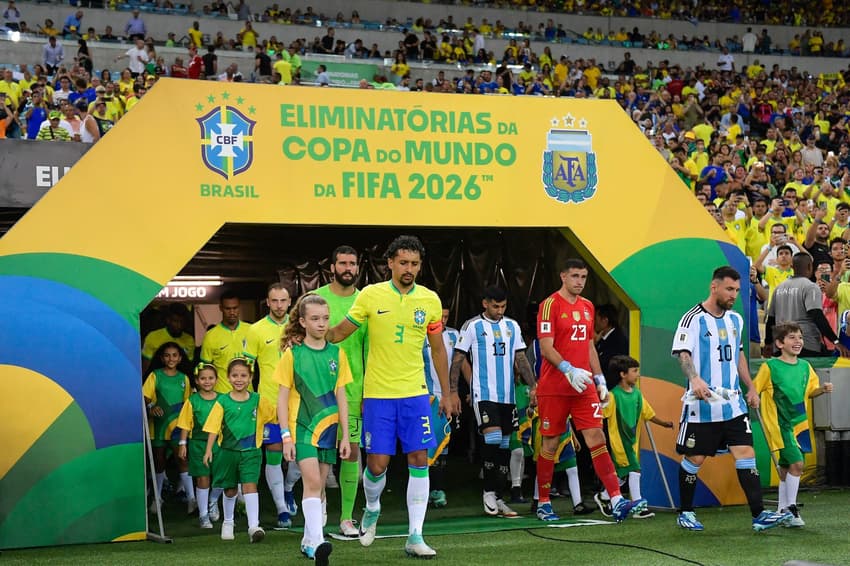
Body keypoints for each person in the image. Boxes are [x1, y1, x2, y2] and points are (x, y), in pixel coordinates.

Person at [326, 235, 461, 558]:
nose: (409, 269)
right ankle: (372, 506)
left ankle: (415, 536)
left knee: (419, 460)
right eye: (403, 262)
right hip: (378, 396)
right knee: (376, 464)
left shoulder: (428, 300)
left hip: (416, 394)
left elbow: (438, 349)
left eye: (414, 264)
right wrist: (310, 335)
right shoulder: (371, 296)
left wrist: (445, 391)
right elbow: (341, 331)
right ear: (389, 263)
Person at [672, 266, 791, 532]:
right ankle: (686, 513)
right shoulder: (692, 319)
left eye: (737, 290)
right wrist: (695, 379)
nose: (733, 295)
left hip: (733, 404)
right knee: (696, 459)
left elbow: (738, 356)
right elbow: (682, 353)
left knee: (746, 453)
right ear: (714, 287)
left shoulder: (735, 319)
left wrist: (750, 387)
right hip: (703, 406)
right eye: (729, 289)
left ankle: (759, 516)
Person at [535, 258, 646, 522]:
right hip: (555, 386)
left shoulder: (587, 307)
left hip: (583, 385)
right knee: (551, 442)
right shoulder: (549, 305)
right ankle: (543, 501)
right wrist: (567, 369)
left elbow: (588, 346)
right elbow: (546, 347)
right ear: (563, 276)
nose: (579, 282)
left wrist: (598, 380)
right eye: (575, 276)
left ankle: (617, 499)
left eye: (583, 277)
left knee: (597, 437)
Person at [275, 294, 352, 565]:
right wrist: (286, 436)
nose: (322, 324)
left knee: (319, 489)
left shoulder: (337, 354)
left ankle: (309, 542)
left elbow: (341, 395)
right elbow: (282, 398)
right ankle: (319, 541)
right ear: (302, 321)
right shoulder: (292, 355)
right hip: (302, 427)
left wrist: (346, 434)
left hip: (329, 430)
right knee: (313, 483)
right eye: (315, 319)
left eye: (325, 318)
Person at [451, 285, 536, 518]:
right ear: (485, 304)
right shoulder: (472, 326)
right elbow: (458, 359)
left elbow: (520, 357)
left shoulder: (512, 326)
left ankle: (498, 496)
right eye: (496, 306)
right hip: (483, 393)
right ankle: (488, 492)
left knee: (505, 446)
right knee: (494, 438)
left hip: (507, 395)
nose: (500, 311)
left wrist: (534, 386)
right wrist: (452, 391)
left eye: (503, 306)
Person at [753, 322, 833, 528]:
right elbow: (754, 391)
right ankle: (790, 509)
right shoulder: (769, 366)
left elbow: (810, 391)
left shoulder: (805, 366)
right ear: (779, 343)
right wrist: (753, 398)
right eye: (792, 338)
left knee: (787, 467)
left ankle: (782, 509)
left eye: (800, 337)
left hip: (800, 423)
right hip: (781, 425)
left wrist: (822, 390)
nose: (798, 341)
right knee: (798, 465)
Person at [314, 246, 368, 537]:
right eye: (343, 263)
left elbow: (370, 348)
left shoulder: (366, 300)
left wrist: (369, 389)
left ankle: (346, 518)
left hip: (354, 390)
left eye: (353, 263)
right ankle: (318, 509)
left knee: (351, 452)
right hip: (319, 392)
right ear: (332, 267)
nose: (348, 267)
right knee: (321, 453)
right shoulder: (317, 299)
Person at [202, 358, 277, 543]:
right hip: (227, 451)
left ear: (251, 377)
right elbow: (213, 427)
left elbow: (275, 416)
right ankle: (228, 522)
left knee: (250, 485)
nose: (239, 379)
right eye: (235, 375)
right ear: (228, 377)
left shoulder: (259, 400)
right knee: (229, 489)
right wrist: (208, 450)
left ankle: (254, 526)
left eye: (243, 375)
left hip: (252, 451)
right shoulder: (222, 401)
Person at [243, 283, 292, 529]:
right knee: (273, 456)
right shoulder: (256, 331)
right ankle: (282, 508)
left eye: (283, 301)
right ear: (267, 302)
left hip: (299, 402)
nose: (279, 305)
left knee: (301, 456)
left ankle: (290, 487)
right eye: (274, 301)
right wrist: (250, 401)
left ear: (290, 301)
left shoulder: (300, 325)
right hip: (269, 403)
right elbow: (246, 370)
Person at [601, 355, 673, 519]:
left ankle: (604, 496)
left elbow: (648, 413)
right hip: (619, 444)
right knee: (635, 469)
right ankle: (638, 506)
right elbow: (601, 414)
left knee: (621, 475)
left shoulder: (637, 395)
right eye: (634, 371)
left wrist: (663, 423)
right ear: (623, 374)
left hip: (631, 442)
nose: (637, 374)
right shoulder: (613, 396)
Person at [764, 253, 847, 358]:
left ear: (792, 267)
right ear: (810, 267)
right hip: (806, 345)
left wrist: (768, 343)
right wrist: (835, 340)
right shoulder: (810, 287)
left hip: (781, 347)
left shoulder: (779, 288)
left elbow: (770, 319)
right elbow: (816, 314)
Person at [142, 342, 193, 513]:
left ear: (180, 358)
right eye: (167, 355)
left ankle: (192, 498)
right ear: (162, 358)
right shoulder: (155, 375)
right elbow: (145, 397)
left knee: (182, 459)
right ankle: (157, 498)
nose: (171, 358)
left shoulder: (184, 378)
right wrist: (151, 407)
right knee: (159, 460)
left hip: (178, 426)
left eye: (174, 355)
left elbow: (188, 404)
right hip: (157, 425)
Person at [423, 307, 464, 508]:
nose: (443, 320)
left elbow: (460, 363)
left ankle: (437, 489)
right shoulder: (419, 335)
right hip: (425, 398)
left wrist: (459, 392)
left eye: (447, 316)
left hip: (445, 397)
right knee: (426, 444)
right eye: (440, 316)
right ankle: (427, 490)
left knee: (443, 444)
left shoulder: (454, 335)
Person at [176, 363, 224, 528]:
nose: (207, 381)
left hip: (220, 444)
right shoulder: (192, 401)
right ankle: (203, 515)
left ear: (216, 380)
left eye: (211, 378)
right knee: (203, 478)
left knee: (221, 477)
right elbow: (185, 424)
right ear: (196, 380)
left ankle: (213, 500)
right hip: (198, 444)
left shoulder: (223, 399)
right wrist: (182, 444)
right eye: (203, 378)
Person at [200, 291, 250, 393]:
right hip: (222, 395)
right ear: (221, 308)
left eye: (235, 308)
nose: (232, 312)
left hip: (248, 395)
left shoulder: (251, 331)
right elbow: (205, 371)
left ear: (239, 307)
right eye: (228, 309)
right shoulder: (211, 335)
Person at [142, 303, 195, 375]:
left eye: (181, 321)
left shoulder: (189, 340)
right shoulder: (152, 337)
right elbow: (146, 367)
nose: (179, 325)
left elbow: (188, 367)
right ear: (168, 320)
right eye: (175, 321)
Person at [594, 303, 629, 390]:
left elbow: (604, 363)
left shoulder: (617, 339)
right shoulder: (602, 339)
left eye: (595, 319)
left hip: (611, 388)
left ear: (605, 321)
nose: (593, 323)